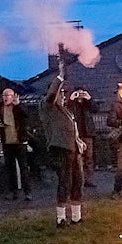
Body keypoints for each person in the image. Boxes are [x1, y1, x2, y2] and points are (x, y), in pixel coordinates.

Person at [42, 77, 84, 228]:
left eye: (65, 94)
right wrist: (60, 77)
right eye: (62, 93)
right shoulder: (47, 107)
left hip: (73, 149)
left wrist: (78, 141)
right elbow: (52, 94)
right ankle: (60, 218)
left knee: (78, 182)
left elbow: (72, 129)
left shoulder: (65, 110)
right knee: (65, 183)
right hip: (60, 150)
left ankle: (76, 217)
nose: (64, 96)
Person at [0, 88, 31, 201]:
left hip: (19, 142)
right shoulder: (0, 108)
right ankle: (12, 191)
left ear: (13, 96)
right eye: (4, 95)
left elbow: (26, 115)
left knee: (23, 167)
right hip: (7, 141)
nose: (5, 97)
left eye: (8, 95)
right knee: (10, 168)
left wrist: (18, 105)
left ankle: (27, 192)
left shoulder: (18, 107)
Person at [68, 88, 97, 187]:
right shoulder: (73, 104)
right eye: (78, 93)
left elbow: (95, 109)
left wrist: (89, 99)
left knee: (89, 158)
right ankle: (79, 179)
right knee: (77, 158)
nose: (80, 95)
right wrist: (71, 99)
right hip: (76, 134)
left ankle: (89, 179)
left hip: (88, 133)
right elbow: (67, 111)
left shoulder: (87, 104)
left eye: (82, 93)